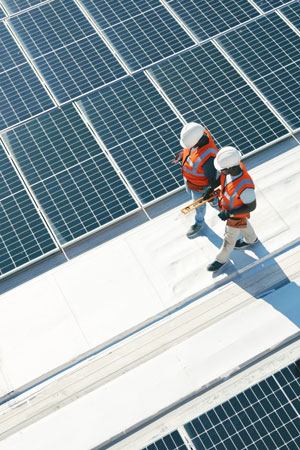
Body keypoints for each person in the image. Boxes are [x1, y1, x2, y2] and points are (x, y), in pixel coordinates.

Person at [204, 146, 258, 272]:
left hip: (234, 213)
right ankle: (251, 239)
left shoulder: (245, 187)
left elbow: (251, 206)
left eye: (223, 170)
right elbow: (222, 178)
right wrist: (211, 188)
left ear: (231, 168)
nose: (221, 172)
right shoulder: (232, 168)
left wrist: (229, 213)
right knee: (243, 224)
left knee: (229, 238)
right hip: (230, 209)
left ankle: (220, 260)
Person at [173, 122, 219, 238]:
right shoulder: (196, 133)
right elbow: (190, 151)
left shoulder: (209, 157)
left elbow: (212, 180)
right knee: (190, 192)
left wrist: (208, 191)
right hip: (189, 180)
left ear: (197, 141)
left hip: (199, 187)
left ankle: (199, 223)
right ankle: (213, 199)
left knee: (199, 206)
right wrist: (182, 154)